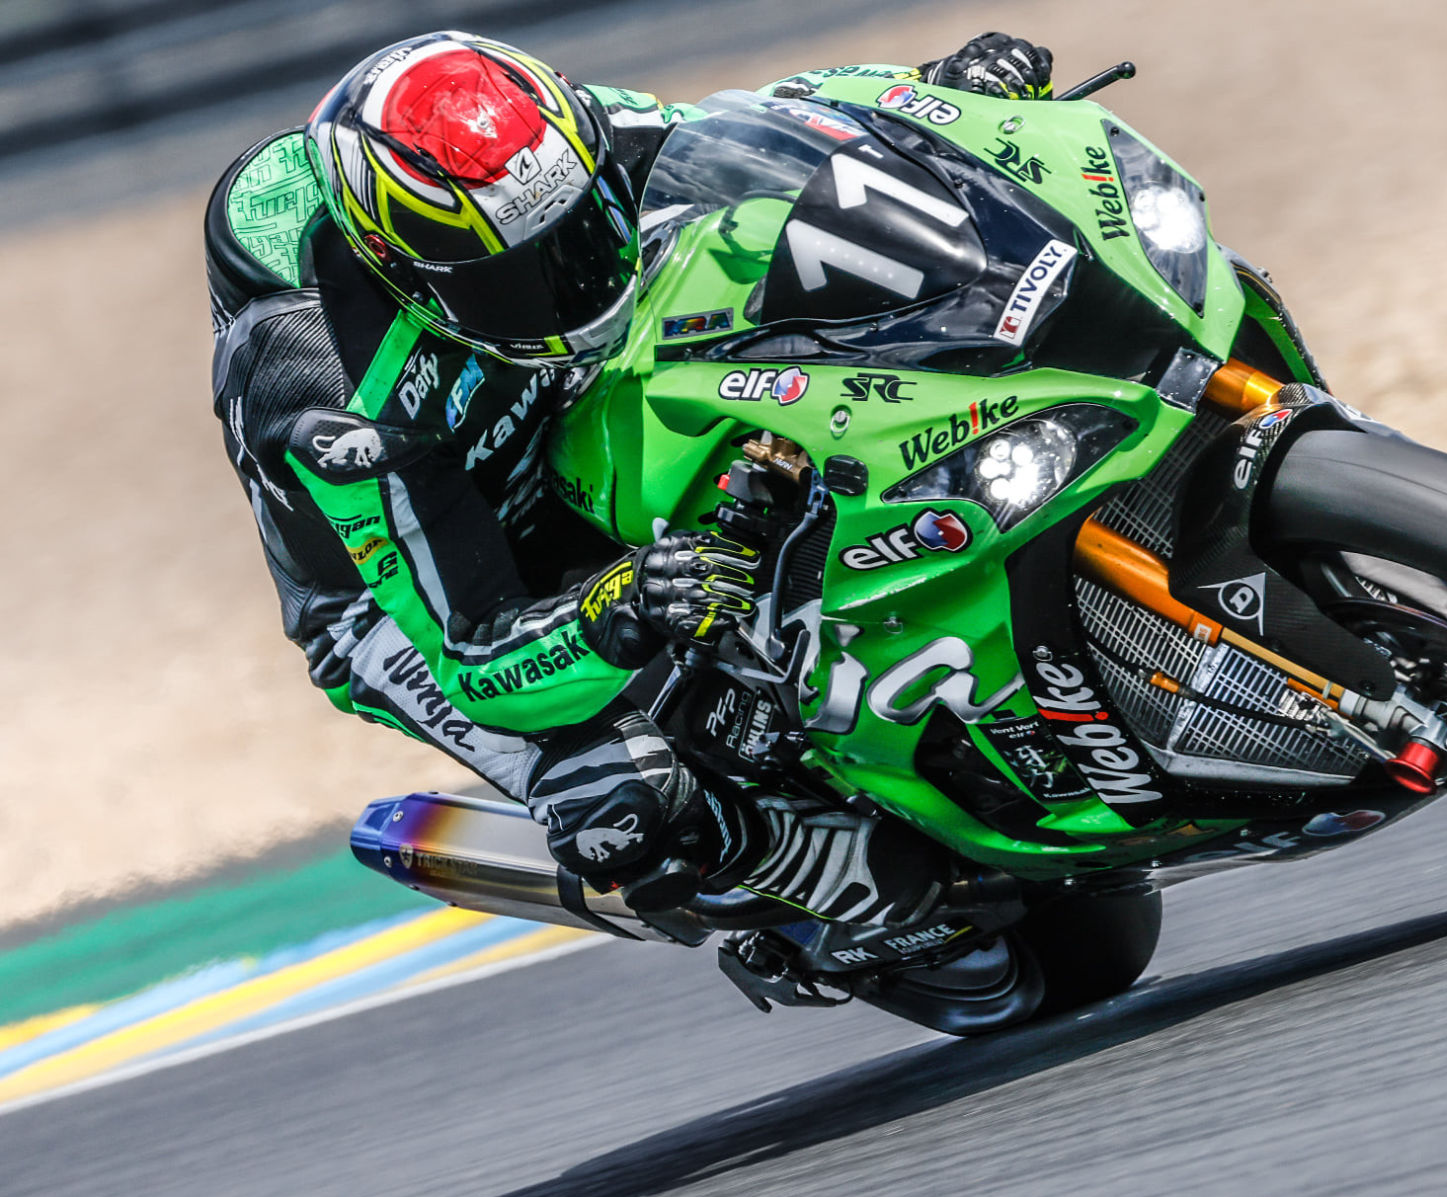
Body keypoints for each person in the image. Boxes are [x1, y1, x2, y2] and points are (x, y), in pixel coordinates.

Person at [208, 30, 1053, 919]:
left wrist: (932, 97)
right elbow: (470, 648)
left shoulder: (542, 142)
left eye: (579, 232)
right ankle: (789, 862)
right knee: (621, 792)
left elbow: (770, 129)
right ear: (405, 272)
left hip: (553, 427)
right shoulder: (328, 394)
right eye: (516, 279)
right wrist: (622, 602)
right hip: (406, 599)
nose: (568, 288)